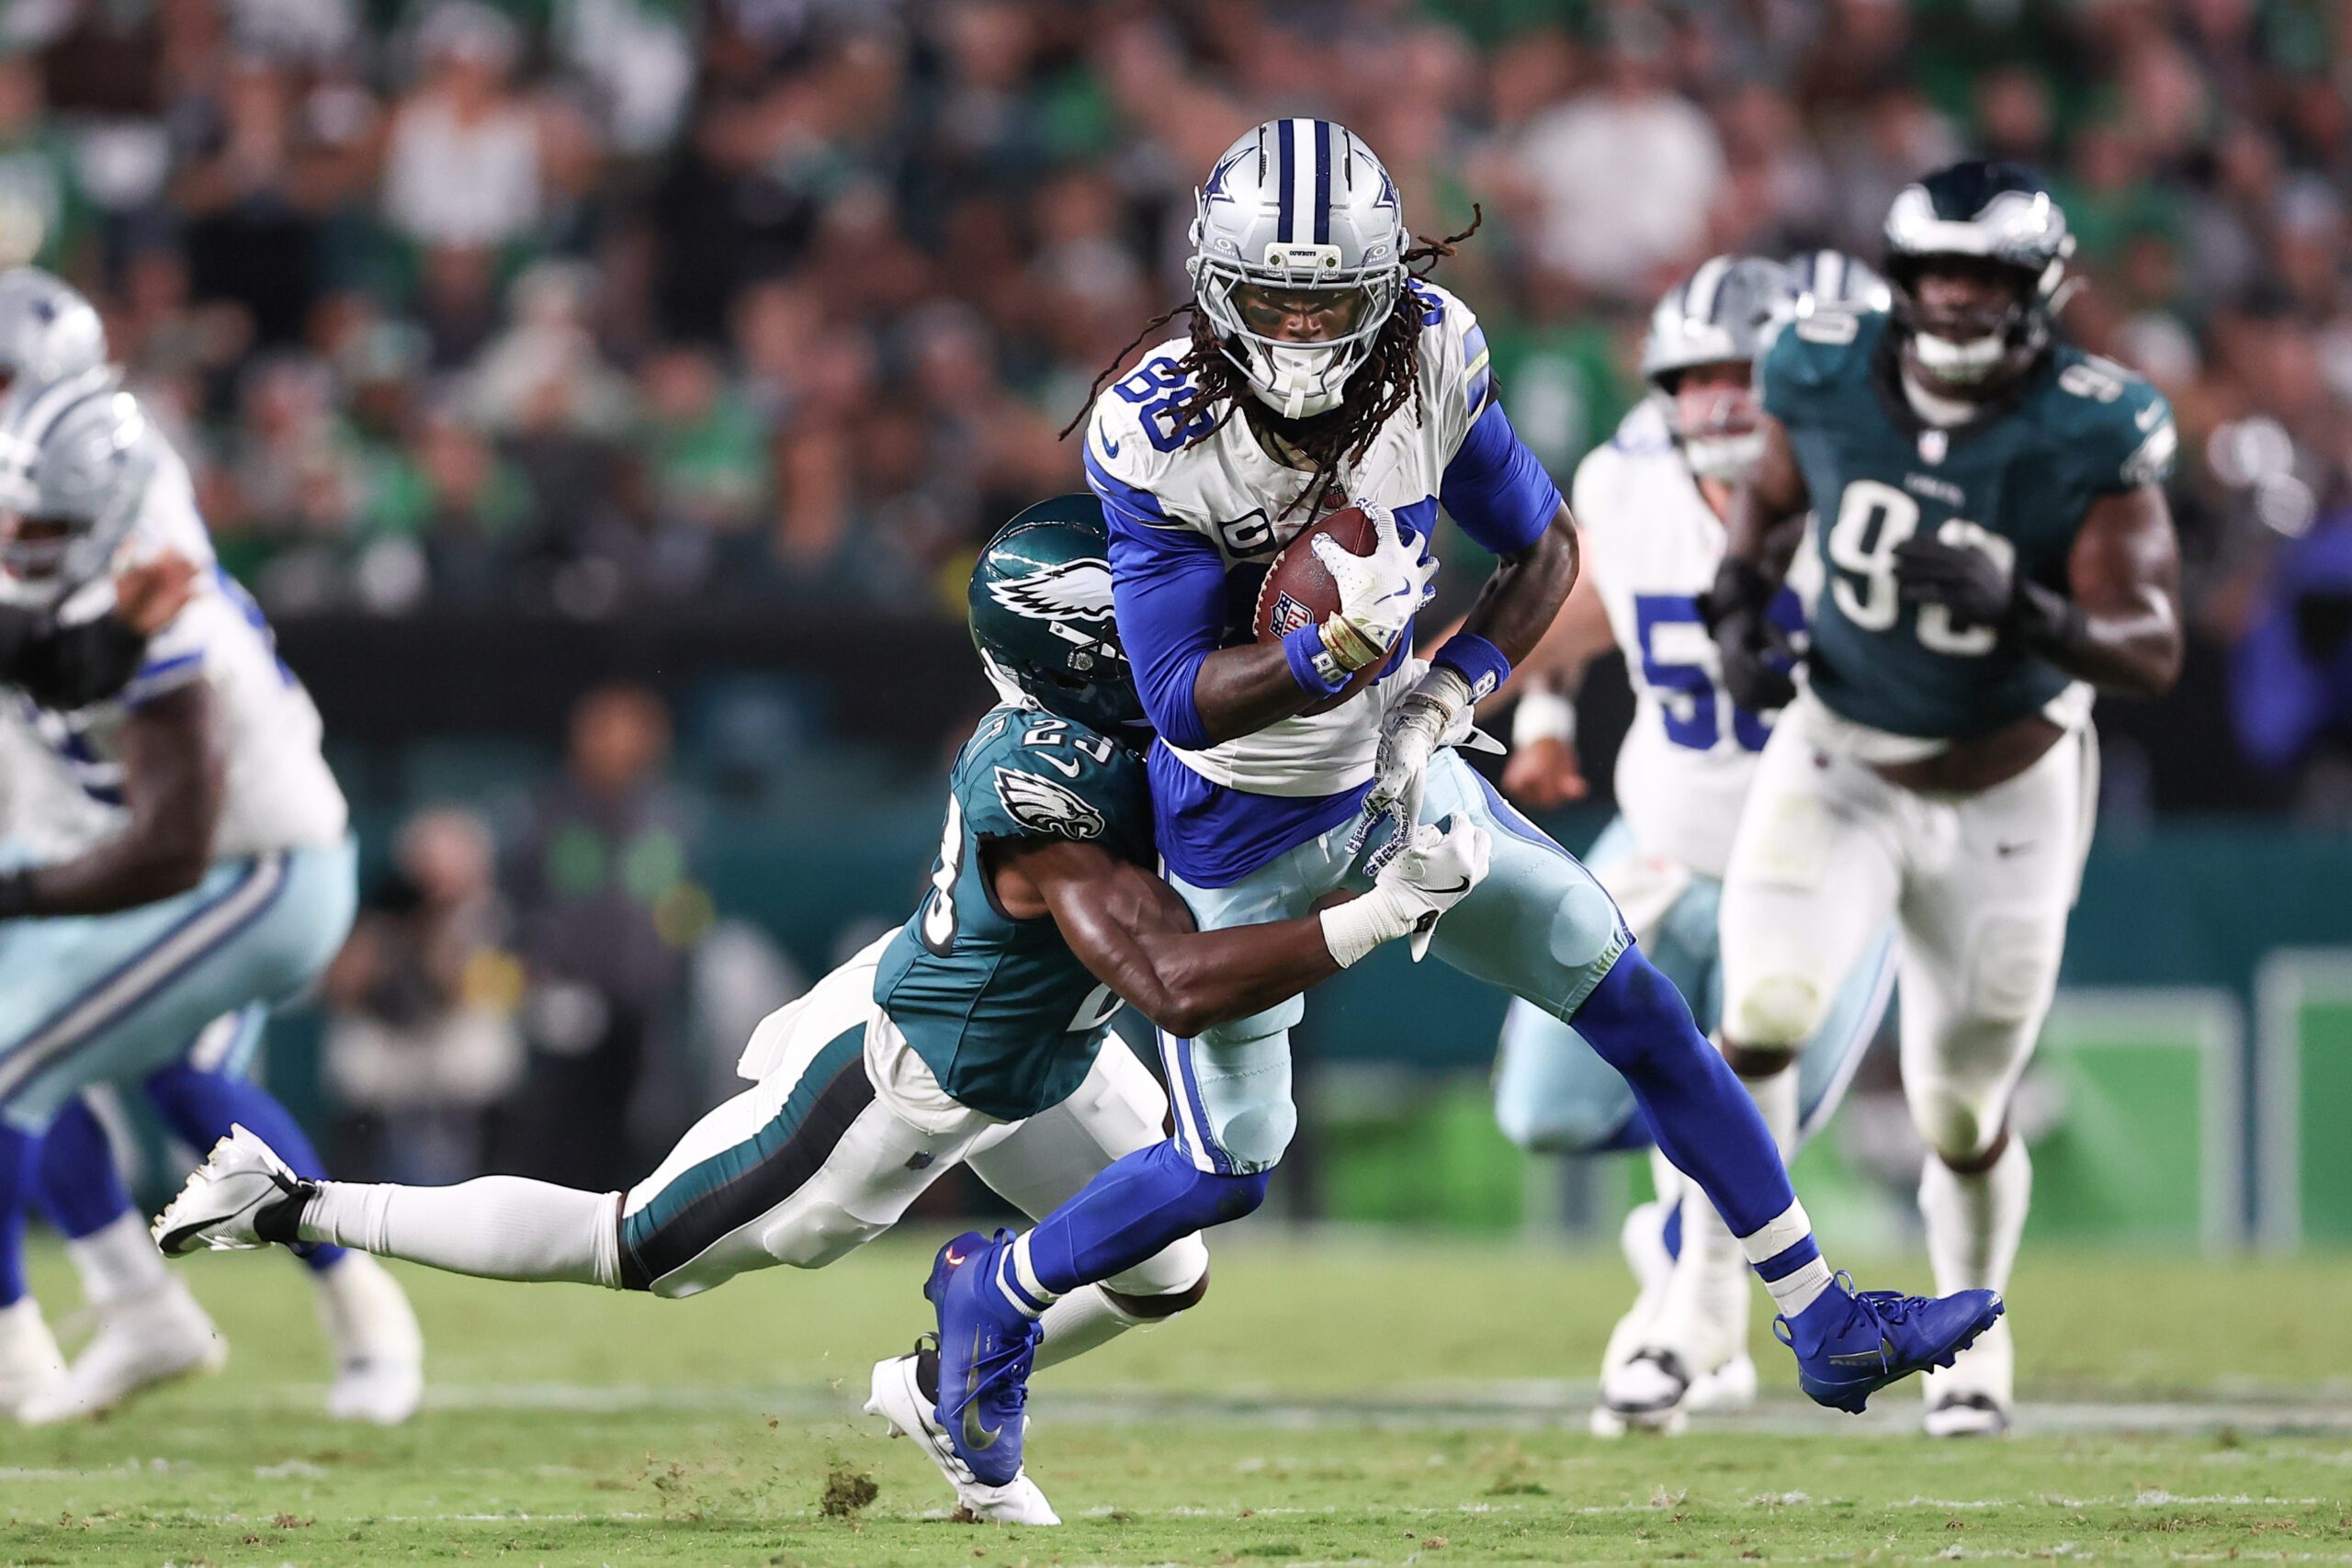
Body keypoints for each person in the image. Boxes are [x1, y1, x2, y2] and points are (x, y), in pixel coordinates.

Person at [930, 119, 2003, 1491]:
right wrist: (1325, 655)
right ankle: (998, 1288)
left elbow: (1550, 546)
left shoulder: (1435, 348)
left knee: (1638, 1006)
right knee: (1228, 1163)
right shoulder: (1155, 429)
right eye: (1277, 297)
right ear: (1213, 284)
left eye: (1333, 295)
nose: (1308, 331)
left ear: (1387, 280)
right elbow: (1184, 697)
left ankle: (1820, 1312)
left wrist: (1456, 690)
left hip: (1399, 774)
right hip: (1236, 827)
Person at [153, 495, 1492, 1528]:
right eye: (1151, 606)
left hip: (1052, 1054)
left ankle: (949, 1371)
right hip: (906, 1079)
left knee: (1167, 1265)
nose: (1192, 622)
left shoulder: (1133, 721)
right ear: (1090, 651)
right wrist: (1382, 907)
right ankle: (295, 1198)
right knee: (632, 1245)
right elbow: (1176, 982)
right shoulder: (1044, 772)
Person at [1702, 161, 2184, 1436]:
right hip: (1839, 756)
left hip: (2005, 788)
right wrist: (1741, 611)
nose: (1960, 303)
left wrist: (2024, 605)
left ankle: (1977, 1331)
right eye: (1937, 277)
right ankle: (1714, 1303)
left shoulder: (2093, 421)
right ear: (1900, 281)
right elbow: (1762, 508)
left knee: (1959, 1107)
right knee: (1758, 1015)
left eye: (1987, 279)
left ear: (2038, 291)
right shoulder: (1818, 364)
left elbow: (2150, 643)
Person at [1488, 251, 1903, 1435]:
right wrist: (1552, 710)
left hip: (1827, 851)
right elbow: (1580, 601)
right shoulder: (1625, 476)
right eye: (1696, 375)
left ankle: (1677, 1304)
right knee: (1545, 1112)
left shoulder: (1862, 487)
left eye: (1746, 373)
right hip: (1666, 836)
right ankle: (1683, 1207)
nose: (1719, 400)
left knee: (1761, 1108)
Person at [0, 361, 419, 1427]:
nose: (20, 540)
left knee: (73, 1065)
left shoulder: (155, 580)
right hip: (136, 852)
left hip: (249, 865)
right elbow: (47, 655)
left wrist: (20, 892)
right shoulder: (78, 536)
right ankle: (141, 1306)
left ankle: (351, 1300)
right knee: (68, 1059)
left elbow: (169, 845)